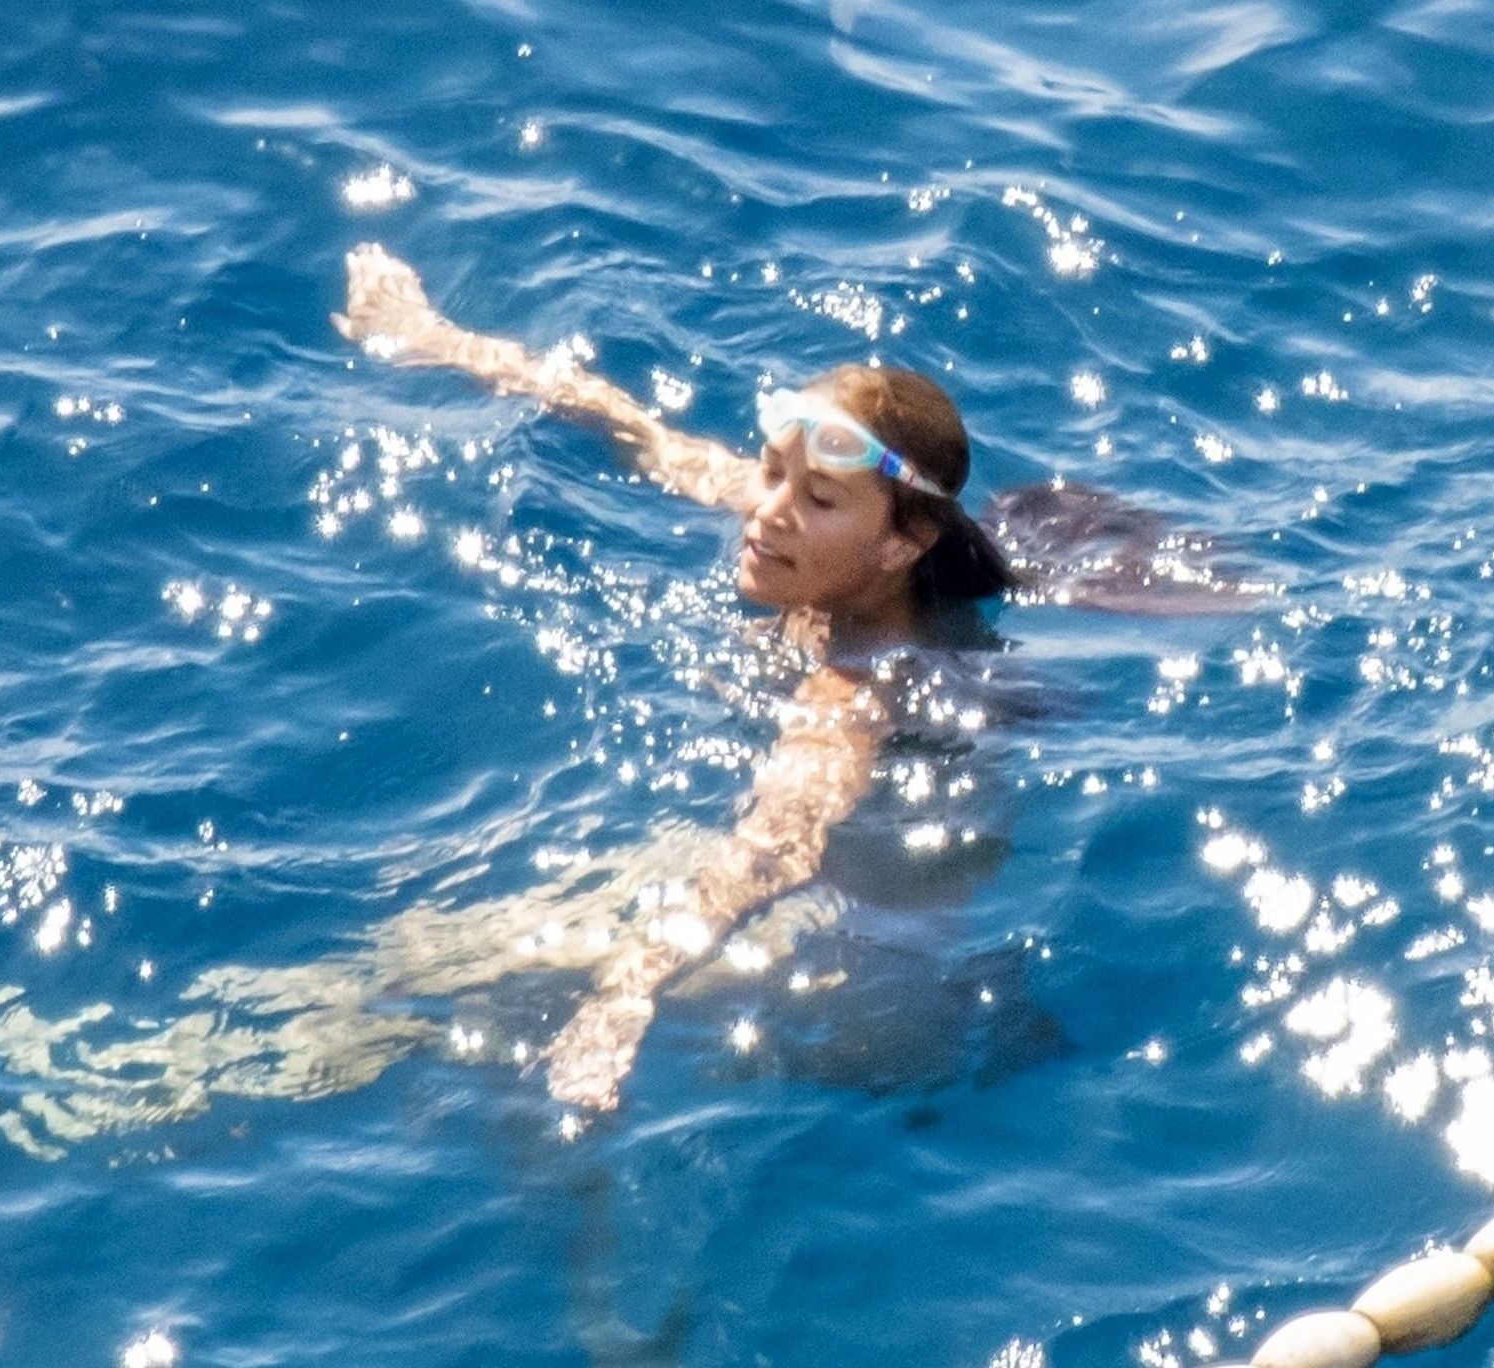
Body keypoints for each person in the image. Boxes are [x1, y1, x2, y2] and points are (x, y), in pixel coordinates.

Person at [333, 243, 1022, 1111]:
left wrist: (624, 1001)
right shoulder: (804, 531)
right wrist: (431, 336)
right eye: (772, 473)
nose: (766, 512)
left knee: (427, 971)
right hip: (792, 895)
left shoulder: (854, 689)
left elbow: (773, 848)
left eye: (817, 500)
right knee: (417, 967)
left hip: (854, 943)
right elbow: (629, 425)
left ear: (903, 545)